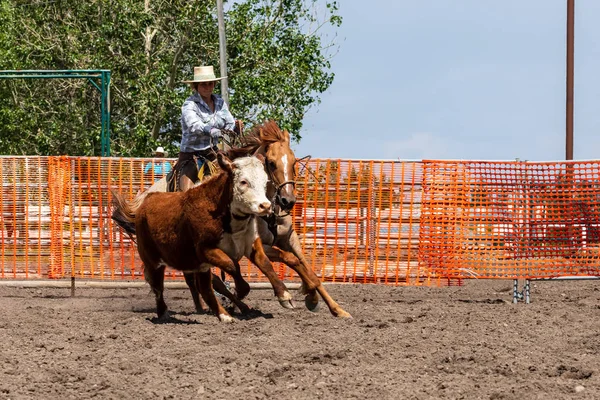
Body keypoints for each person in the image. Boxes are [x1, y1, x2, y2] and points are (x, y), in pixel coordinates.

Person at [177, 65, 243, 191]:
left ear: (214, 84)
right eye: (203, 84)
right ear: (196, 86)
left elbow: (229, 122)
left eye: (210, 84)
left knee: (232, 181)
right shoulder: (189, 104)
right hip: (191, 156)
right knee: (186, 193)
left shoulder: (220, 102)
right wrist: (213, 131)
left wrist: (235, 128)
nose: (207, 87)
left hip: (212, 154)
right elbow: (194, 125)